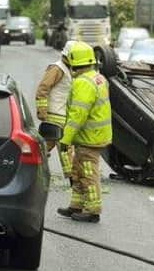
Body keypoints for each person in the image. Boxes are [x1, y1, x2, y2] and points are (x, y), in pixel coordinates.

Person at [57, 42, 112, 223]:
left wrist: (65, 139)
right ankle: (76, 205)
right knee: (79, 171)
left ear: (74, 61)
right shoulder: (97, 77)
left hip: (89, 138)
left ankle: (93, 210)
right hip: (93, 136)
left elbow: (77, 115)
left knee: (88, 173)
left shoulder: (83, 83)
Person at [35, 41, 75, 178]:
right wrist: (42, 109)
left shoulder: (69, 69)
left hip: (62, 115)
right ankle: (72, 178)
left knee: (45, 147)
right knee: (65, 147)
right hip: (54, 115)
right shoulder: (57, 69)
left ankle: (33, 170)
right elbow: (43, 88)